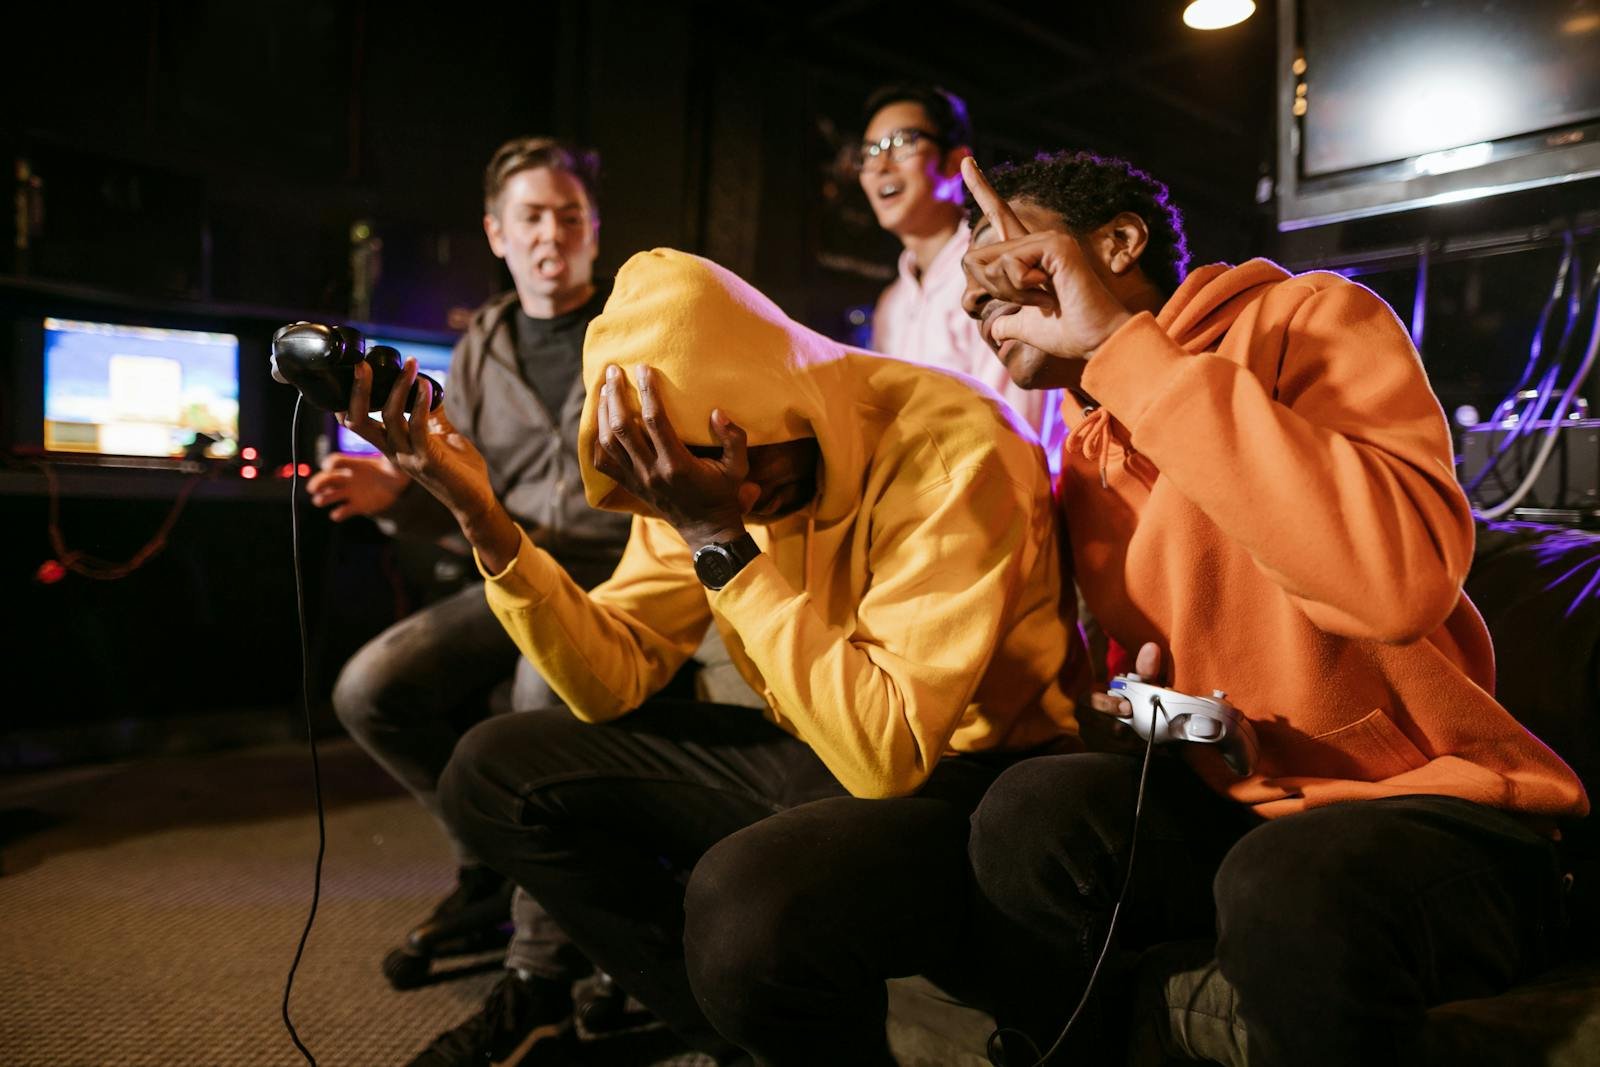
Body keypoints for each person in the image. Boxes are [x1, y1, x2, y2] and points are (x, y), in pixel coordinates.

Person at [335, 245, 1089, 1065]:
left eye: (742, 472)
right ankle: (731, 1040)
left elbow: (889, 753)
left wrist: (717, 535)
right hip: (816, 741)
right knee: (491, 769)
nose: (744, 496)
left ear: (779, 400)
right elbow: (610, 678)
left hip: (966, 775)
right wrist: (483, 516)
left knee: (742, 908)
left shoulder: (952, 445)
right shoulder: (693, 462)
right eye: (692, 485)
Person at [955, 149, 1590, 1065]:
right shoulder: (1085, 443)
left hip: (1437, 806)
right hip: (1249, 799)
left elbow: (1394, 583)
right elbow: (1150, 672)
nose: (982, 308)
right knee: (1029, 814)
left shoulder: (1309, 316)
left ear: (1118, 244)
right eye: (972, 298)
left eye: (1004, 271)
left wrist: (1125, 351)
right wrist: (1165, 719)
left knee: (1288, 883)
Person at [306, 136, 633, 1066]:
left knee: (536, 700)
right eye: (531, 216)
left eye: (570, 215)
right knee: (371, 687)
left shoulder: (641, 320)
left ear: (594, 228)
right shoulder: (479, 342)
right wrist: (390, 488)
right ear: (497, 232)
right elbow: (454, 471)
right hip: (513, 561)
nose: (552, 234)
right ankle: (490, 864)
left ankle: (541, 963)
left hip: (619, 575)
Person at [857, 84, 1059, 447]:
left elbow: (1017, 435)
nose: (880, 166)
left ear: (955, 162)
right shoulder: (892, 304)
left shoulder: (998, 269)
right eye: (870, 152)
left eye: (901, 143)